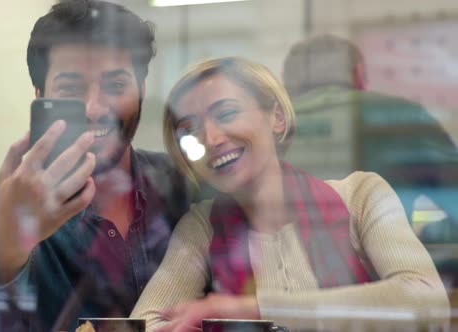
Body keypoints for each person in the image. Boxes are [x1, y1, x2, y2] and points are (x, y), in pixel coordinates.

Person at [130, 57, 449, 331]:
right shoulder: (202, 225)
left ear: (277, 118)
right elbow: (146, 323)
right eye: (189, 130)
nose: (210, 138)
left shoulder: (362, 195)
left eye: (226, 113)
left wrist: (249, 310)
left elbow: (425, 300)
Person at [0, 1, 190, 331]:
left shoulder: (181, 186)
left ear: (142, 90)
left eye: (116, 85)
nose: (93, 108)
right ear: (40, 94)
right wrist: (6, 246)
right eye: (71, 88)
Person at [282, 34, 458, 239]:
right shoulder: (402, 114)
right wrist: (430, 238)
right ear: (358, 73)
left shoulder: (270, 128)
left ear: (286, 84)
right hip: (385, 262)